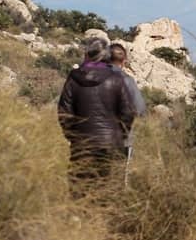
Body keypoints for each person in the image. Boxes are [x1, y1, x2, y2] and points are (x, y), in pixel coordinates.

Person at [57, 36, 137, 184]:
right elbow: (128, 112)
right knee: (107, 193)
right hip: (111, 144)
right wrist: (120, 134)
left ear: (86, 55)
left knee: (80, 191)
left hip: (82, 144)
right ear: (106, 56)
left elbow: (64, 111)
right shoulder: (117, 79)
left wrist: (73, 136)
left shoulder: (74, 78)